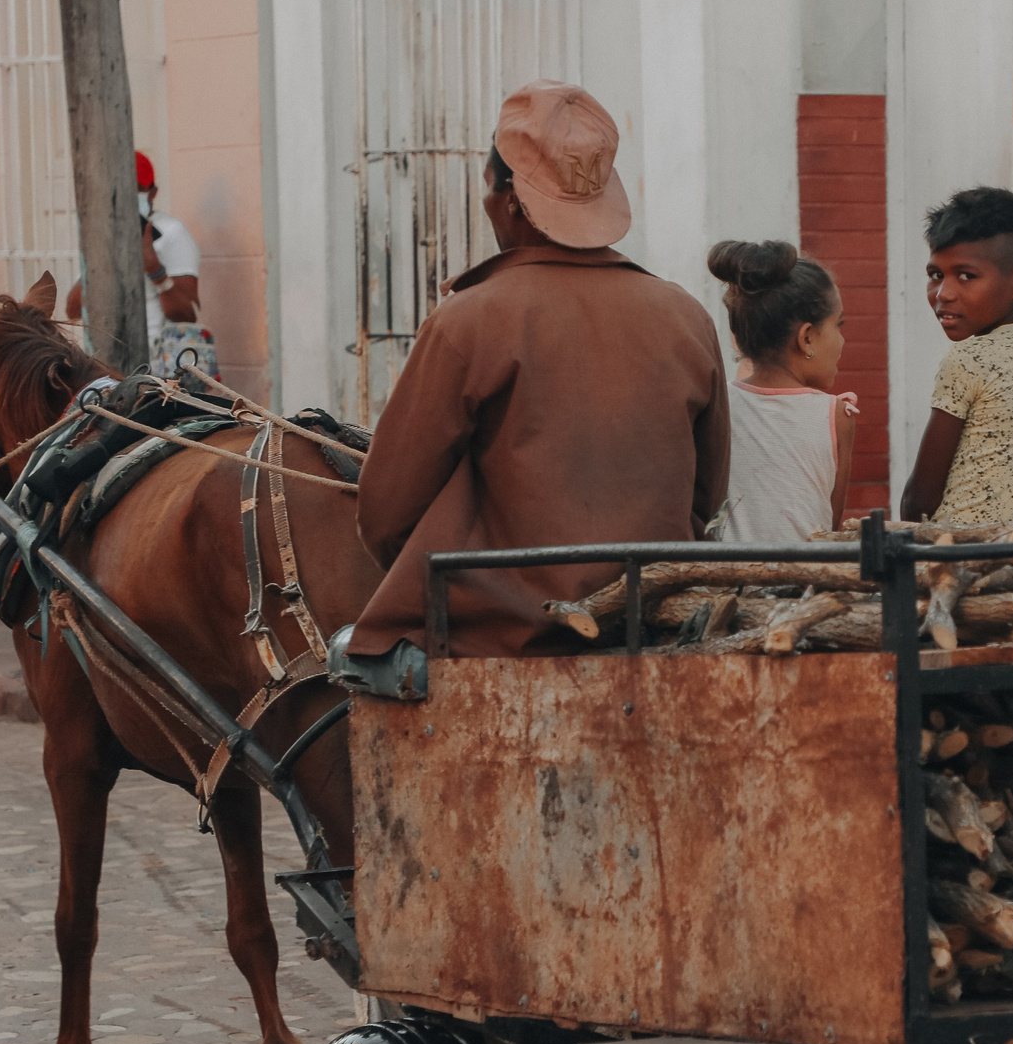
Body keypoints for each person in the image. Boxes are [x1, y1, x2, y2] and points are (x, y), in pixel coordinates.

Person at [340, 81, 731, 669]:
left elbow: (387, 514)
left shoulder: (469, 320)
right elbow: (706, 496)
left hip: (492, 637)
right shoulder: (686, 316)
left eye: (488, 188)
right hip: (646, 622)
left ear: (510, 199)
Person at [898, 186, 1013, 529]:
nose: (944, 293)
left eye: (966, 276)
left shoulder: (968, 359)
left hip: (960, 563)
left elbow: (918, 505)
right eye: (935, 275)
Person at [707, 240, 858, 543]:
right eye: (838, 325)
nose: (842, 340)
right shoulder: (836, 416)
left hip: (727, 584)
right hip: (805, 585)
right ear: (806, 338)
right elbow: (829, 525)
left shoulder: (716, 406)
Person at [64, 151, 212, 379]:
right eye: (119, 187)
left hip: (159, 369)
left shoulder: (171, 233)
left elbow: (186, 314)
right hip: (105, 364)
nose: (127, 195)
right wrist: (105, 257)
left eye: (136, 188)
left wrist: (155, 269)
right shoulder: (104, 235)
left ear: (153, 191)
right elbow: (73, 310)